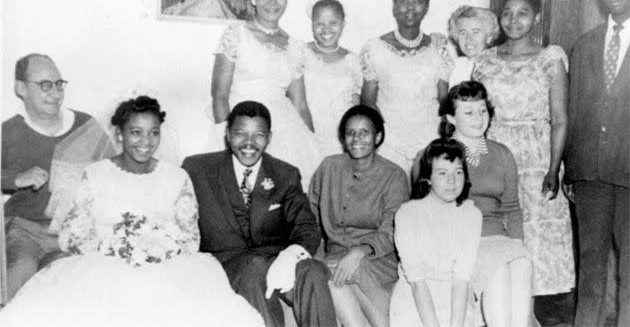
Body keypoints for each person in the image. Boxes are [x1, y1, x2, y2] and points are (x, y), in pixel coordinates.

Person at [0, 96, 264, 326]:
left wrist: (158, 250)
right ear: (119, 134)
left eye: (154, 132)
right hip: (103, 266)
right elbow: (74, 234)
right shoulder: (96, 174)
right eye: (136, 132)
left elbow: (189, 237)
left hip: (167, 268)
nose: (146, 142)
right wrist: (116, 249)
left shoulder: (176, 177)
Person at [183, 101, 336, 327]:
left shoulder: (285, 174)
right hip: (228, 264)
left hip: (276, 260)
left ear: (269, 137)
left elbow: (307, 228)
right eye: (240, 133)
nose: (249, 143)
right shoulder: (197, 169)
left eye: (258, 135)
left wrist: (291, 255)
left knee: (312, 270)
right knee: (254, 270)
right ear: (227, 134)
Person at [472, 0, 575, 297]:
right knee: (496, 229)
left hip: (537, 159)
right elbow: (474, 113)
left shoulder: (550, 58)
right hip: (495, 155)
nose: (513, 20)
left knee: (533, 235)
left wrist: (553, 169)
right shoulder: (485, 60)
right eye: (507, 13)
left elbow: (560, 119)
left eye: (522, 13)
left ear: (537, 18)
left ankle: (527, 312)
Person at [412, 81, 532, 326]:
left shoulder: (502, 154)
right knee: (498, 274)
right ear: (451, 118)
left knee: (522, 263)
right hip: (460, 239)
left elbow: (512, 209)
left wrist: (517, 247)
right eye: (468, 112)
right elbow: (422, 211)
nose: (479, 118)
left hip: (498, 238)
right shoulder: (435, 155)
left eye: (483, 110)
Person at [1, 53, 116, 300]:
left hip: (73, 232)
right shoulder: (8, 132)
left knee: (72, 283)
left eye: (58, 84)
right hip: (24, 231)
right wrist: (15, 178)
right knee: (20, 273)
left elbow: (113, 172)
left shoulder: (85, 125)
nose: (55, 93)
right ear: (21, 88)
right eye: (44, 85)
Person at [208, 0, 321, 188]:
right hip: (242, 127)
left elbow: (301, 105)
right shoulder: (235, 36)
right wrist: (227, 144)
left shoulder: (295, 46)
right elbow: (219, 96)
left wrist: (312, 144)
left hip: (286, 132)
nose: (272, 2)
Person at [563, 0, 629, 325]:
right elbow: (575, 109)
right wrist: (571, 170)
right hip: (591, 175)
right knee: (590, 271)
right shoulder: (585, 44)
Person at [310, 105, 408, 327]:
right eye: (350, 133)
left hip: (377, 257)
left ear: (378, 137)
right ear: (343, 137)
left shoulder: (394, 175)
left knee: (336, 276)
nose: (356, 138)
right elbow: (311, 219)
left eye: (364, 132)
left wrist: (360, 251)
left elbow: (393, 227)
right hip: (335, 255)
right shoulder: (328, 167)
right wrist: (312, 257)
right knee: (332, 277)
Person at [360, 0, 451, 175]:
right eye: (404, 1)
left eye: (418, 1)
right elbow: (367, 103)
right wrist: (385, 138)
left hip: (429, 140)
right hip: (389, 143)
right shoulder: (375, 49)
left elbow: (444, 101)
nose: (410, 8)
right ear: (394, 7)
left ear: (426, 7)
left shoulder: (439, 49)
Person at [390, 138, 482, 327]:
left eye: (458, 172)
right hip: (414, 301)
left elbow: (461, 279)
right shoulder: (407, 214)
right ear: (428, 178)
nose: (452, 181)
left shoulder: (471, 214)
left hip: (456, 302)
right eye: (442, 173)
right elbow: (417, 282)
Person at [304, 0, 362, 156]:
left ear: (343, 24)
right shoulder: (302, 53)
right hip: (308, 135)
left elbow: (356, 104)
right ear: (312, 25)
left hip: (340, 140)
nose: (326, 29)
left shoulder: (353, 60)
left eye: (333, 23)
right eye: (320, 23)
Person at [447, 5, 499, 85]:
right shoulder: (455, 65)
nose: (468, 39)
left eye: (475, 32)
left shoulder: (499, 67)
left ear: (489, 37)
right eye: (463, 33)